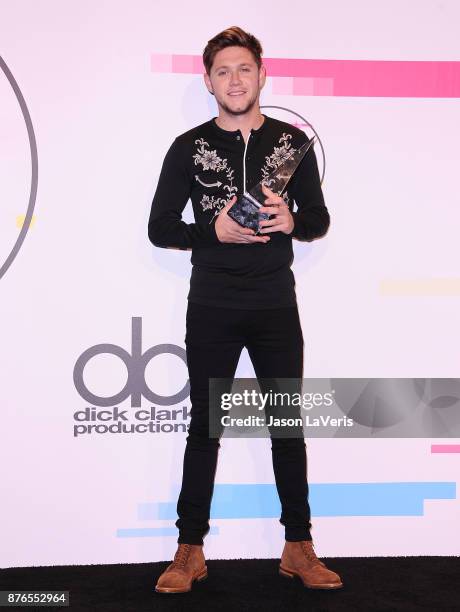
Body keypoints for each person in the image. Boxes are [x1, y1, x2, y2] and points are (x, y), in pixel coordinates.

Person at [148, 26, 343, 593]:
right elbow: (160, 228)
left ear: (262, 74)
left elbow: (319, 218)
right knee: (205, 428)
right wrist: (213, 231)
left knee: (287, 425)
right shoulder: (186, 147)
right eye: (223, 71)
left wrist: (293, 221)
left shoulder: (291, 143)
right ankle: (189, 550)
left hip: (275, 304)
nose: (235, 80)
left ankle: (298, 546)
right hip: (211, 304)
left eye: (244, 69)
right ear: (208, 81)